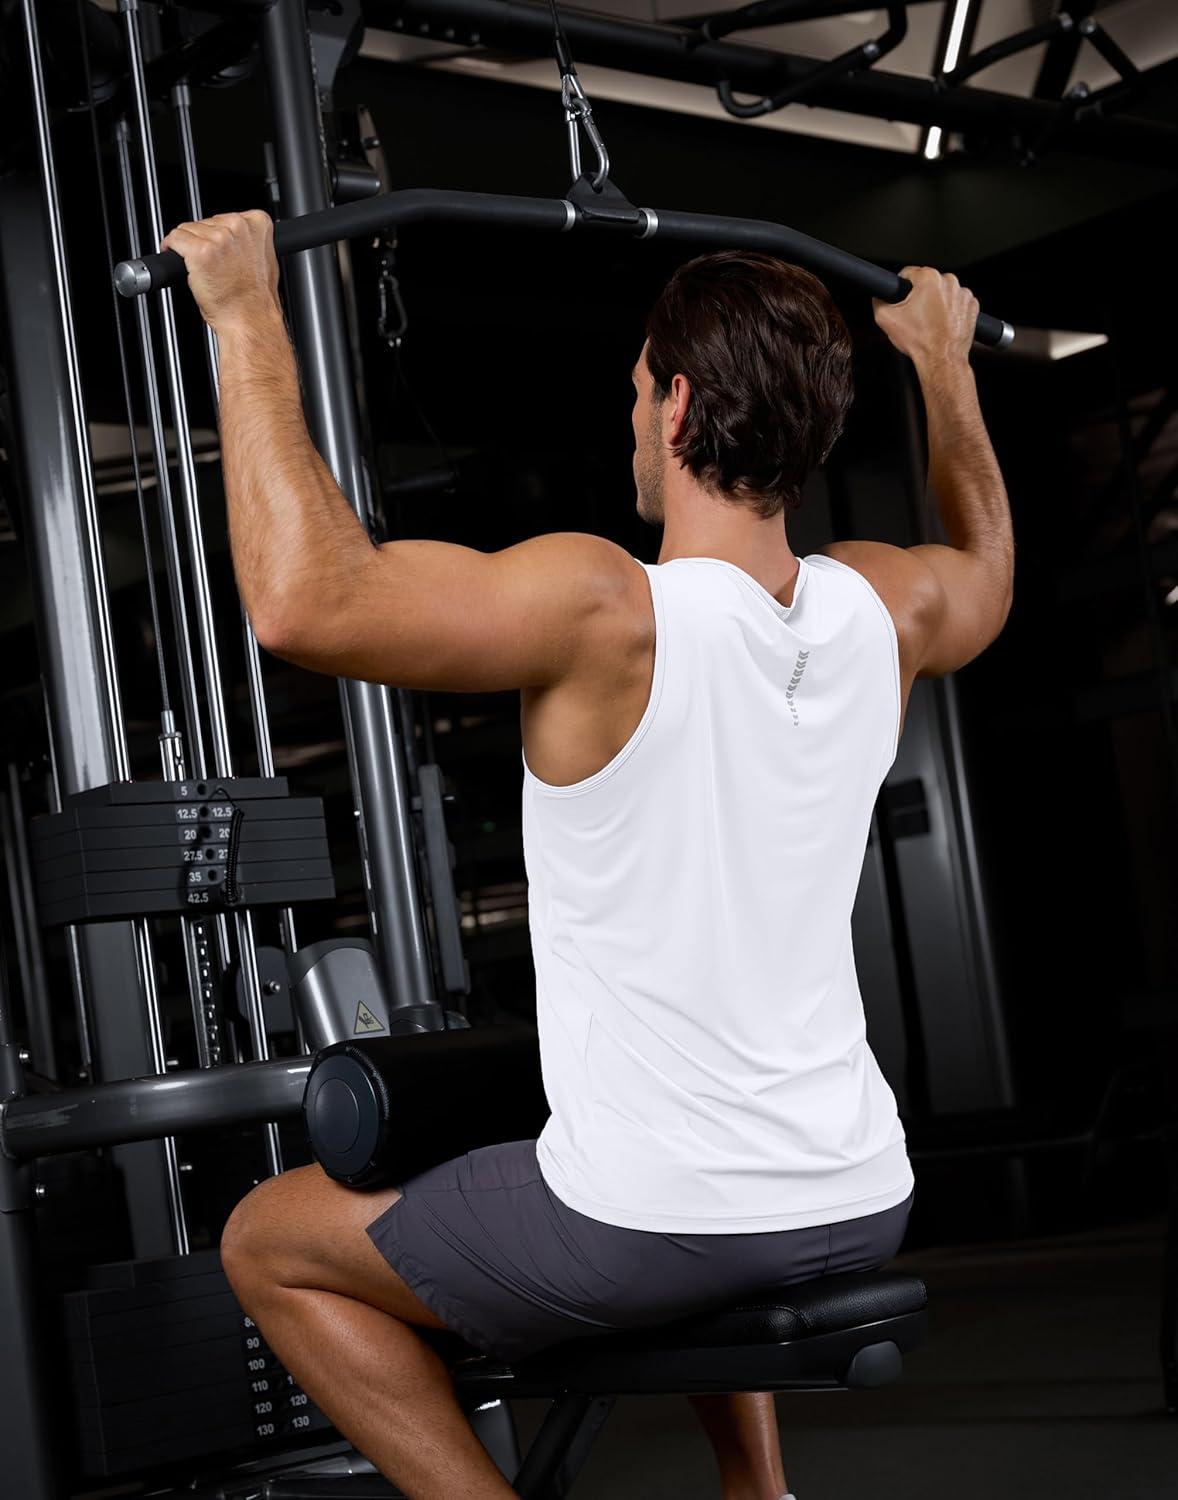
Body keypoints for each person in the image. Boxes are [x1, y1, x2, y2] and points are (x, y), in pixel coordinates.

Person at [160, 209, 1014, 1500]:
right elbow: (989, 564)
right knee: (652, 1148)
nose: (630, 423)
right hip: (857, 1190)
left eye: (634, 395)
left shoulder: (611, 609)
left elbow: (302, 599)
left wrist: (242, 313)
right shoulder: (884, 606)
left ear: (678, 407)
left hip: (658, 1223)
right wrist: (943, 364)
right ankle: (758, 1490)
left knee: (268, 1241)